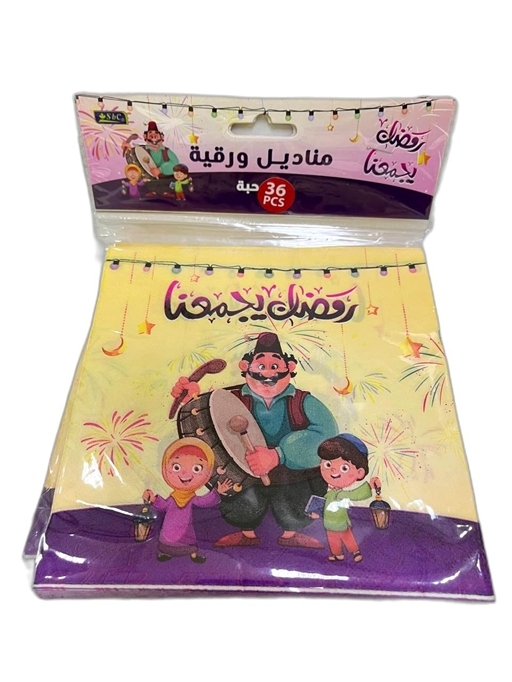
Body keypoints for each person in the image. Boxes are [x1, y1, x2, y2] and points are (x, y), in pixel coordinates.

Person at [171, 332, 338, 549]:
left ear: (290, 367)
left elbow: (328, 436)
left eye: (275, 366)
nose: (268, 374)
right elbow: (209, 414)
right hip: (247, 476)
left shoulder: (303, 402)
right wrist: (192, 399)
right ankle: (246, 533)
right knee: (240, 505)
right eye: (260, 366)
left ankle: (291, 533)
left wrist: (278, 455)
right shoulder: (231, 398)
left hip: (293, 477)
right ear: (245, 367)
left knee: (298, 505)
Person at [143, 437, 233, 563]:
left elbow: (204, 501)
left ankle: (193, 554)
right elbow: (162, 505)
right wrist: (153, 498)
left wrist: (217, 492)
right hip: (169, 527)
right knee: (167, 538)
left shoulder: (191, 498)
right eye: (176, 467)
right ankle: (166, 552)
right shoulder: (172, 498)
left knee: (188, 538)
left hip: (185, 528)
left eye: (197, 468)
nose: (185, 474)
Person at [310, 433, 381, 563]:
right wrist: (315, 512)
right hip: (329, 524)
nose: (333, 470)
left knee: (347, 537)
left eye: (344, 468)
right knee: (332, 539)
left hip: (341, 523)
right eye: (327, 465)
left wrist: (370, 486)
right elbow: (322, 504)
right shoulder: (329, 493)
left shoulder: (343, 494)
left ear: (359, 472)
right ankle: (337, 554)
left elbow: (355, 493)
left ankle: (355, 551)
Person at [122, 121, 180, 197]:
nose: (153, 136)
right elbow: (134, 158)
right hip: (151, 179)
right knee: (146, 183)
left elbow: (176, 164)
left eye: (156, 134)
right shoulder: (142, 150)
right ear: (145, 137)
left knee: (173, 183)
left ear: (162, 137)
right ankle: (152, 192)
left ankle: (168, 192)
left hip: (167, 178)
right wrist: (128, 149)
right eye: (150, 134)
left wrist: (160, 170)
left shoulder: (167, 151)